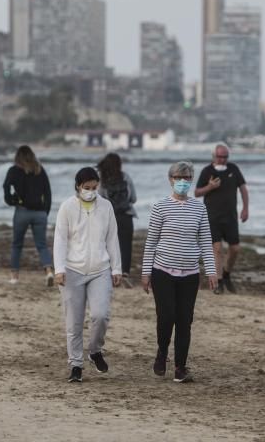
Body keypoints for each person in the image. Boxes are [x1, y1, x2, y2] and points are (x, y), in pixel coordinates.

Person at [142, 161, 218, 383]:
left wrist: (212, 272)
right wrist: (146, 273)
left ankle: (180, 367)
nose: (182, 182)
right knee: (166, 317)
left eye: (186, 179)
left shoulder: (199, 208)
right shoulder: (160, 207)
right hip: (162, 272)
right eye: (178, 178)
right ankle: (162, 352)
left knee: (185, 320)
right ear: (170, 180)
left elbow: (205, 241)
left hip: (190, 274)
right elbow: (151, 242)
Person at [54, 166, 123, 383]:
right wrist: (59, 269)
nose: (91, 191)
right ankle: (76, 365)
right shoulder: (67, 207)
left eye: (94, 187)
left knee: (100, 315)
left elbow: (112, 238)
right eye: (87, 187)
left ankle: (94, 350)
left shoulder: (106, 207)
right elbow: (60, 240)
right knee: (74, 322)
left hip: (100, 270)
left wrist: (117, 267)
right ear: (78, 186)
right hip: (72, 271)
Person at [194, 143, 249, 294]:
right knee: (217, 249)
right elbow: (197, 193)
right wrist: (210, 187)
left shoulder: (233, 169)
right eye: (219, 157)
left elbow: (243, 188)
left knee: (235, 249)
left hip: (230, 217)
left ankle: (226, 274)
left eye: (225, 157)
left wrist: (245, 208)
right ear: (213, 156)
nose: (222, 160)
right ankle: (217, 282)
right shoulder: (207, 171)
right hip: (211, 217)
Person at [2, 145, 54, 286]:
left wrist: (10, 200)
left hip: (22, 211)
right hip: (40, 213)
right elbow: (48, 193)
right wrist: (46, 211)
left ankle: (14, 277)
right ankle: (49, 271)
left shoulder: (14, 170)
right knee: (42, 245)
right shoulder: (39, 170)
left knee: (17, 245)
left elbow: (6, 186)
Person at [97, 152, 138, 288]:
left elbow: (100, 199)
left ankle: (111, 273)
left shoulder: (102, 180)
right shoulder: (125, 177)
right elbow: (133, 198)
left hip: (110, 217)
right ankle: (124, 273)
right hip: (126, 215)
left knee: (109, 245)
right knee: (126, 245)